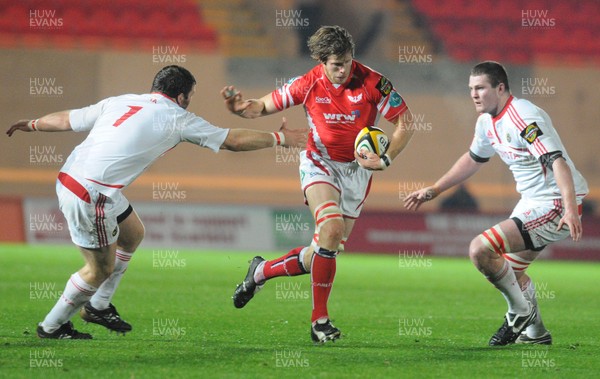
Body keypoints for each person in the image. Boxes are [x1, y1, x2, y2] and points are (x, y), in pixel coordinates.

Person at [6, 65, 307, 339]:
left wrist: (32, 124)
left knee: (133, 233)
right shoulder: (177, 117)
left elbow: (68, 119)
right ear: (181, 96)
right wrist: (280, 139)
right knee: (99, 269)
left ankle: (98, 305)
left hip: (72, 178)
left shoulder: (119, 101)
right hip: (91, 194)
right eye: (190, 96)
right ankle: (52, 325)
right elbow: (232, 140)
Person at [222, 25, 415, 343]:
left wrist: (386, 159)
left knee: (322, 251)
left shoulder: (372, 82)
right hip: (319, 165)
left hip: (357, 173)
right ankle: (319, 322)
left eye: (348, 62)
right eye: (336, 64)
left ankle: (260, 271)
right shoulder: (308, 83)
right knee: (332, 228)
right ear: (322, 62)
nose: (343, 70)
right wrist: (241, 108)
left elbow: (405, 122)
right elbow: (262, 106)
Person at [404, 61, 588, 346]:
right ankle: (536, 334)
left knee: (480, 249)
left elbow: (557, 161)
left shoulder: (523, 117)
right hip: (531, 202)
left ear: (500, 88)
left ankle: (519, 312)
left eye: (480, 88)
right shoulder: (486, 122)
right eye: (471, 89)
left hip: (555, 202)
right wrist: (436, 189)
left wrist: (569, 209)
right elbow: (473, 159)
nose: (474, 95)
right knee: (511, 274)